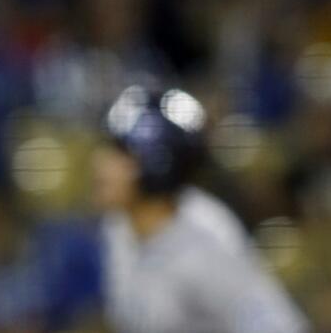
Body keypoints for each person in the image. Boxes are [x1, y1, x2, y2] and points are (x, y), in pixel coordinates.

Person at [93, 84, 309, 333]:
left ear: (157, 163)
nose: (99, 163)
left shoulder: (206, 239)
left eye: (119, 153)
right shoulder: (117, 227)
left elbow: (278, 325)